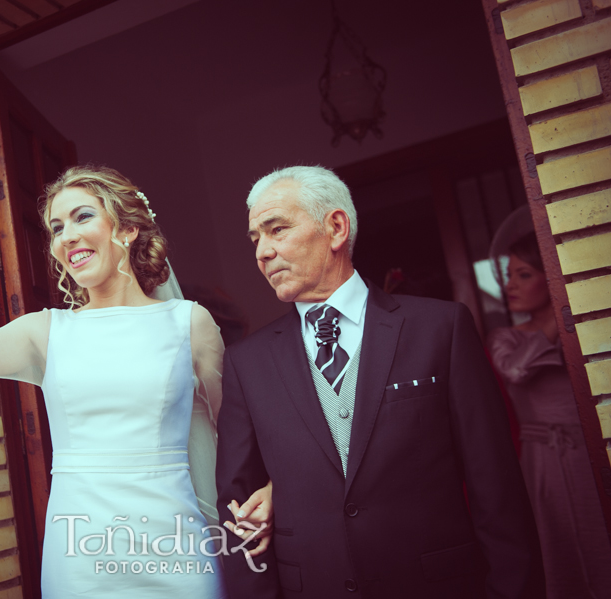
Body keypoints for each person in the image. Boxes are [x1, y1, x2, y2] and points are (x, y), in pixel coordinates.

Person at [0, 165, 273, 599]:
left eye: (82, 217)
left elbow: (235, 441)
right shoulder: (45, 332)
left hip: (177, 550)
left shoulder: (188, 323)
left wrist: (272, 494)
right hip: (80, 557)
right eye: (56, 228)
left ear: (128, 228)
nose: (67, 236)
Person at [215, 165, 545, 598]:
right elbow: (238, 511)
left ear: (335, 227)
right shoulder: (246, 363)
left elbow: (496, 487)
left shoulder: (439, 329)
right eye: (256, 238)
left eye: (277, 229)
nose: (262, 252)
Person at [488, 232, 611, 599]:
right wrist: (562, 314)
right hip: (545, 457)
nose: (511, 285)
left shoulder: (587, 333)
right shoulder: (505, 337)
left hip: (595, 448)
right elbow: (516, 372)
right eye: (509, 274)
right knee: (560, 543)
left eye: (523, 274)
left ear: (551, 274)